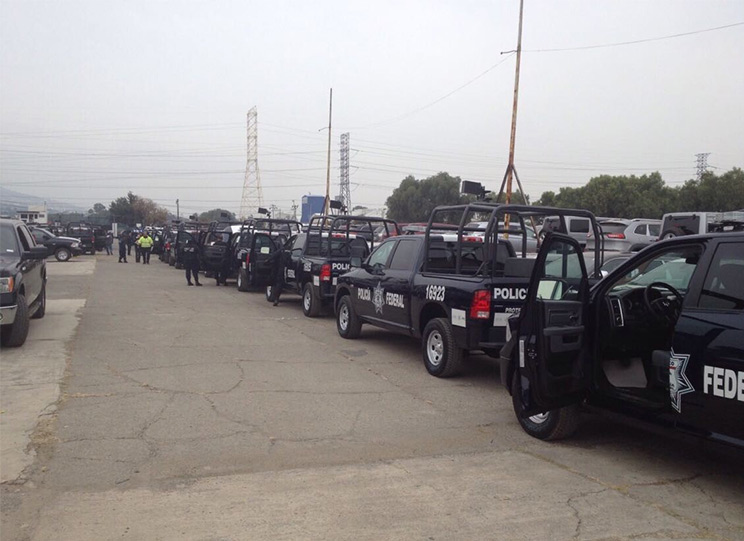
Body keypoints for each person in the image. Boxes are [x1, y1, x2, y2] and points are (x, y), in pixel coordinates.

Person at [267, 238, 286, 306]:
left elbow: (274, 255)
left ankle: (276, 299)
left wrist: (267, 260)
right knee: (278, 283)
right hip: (281, 269)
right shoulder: (283, 250)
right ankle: (276, 298)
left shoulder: (279, 250)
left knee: (276, 283)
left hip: (278, 269)